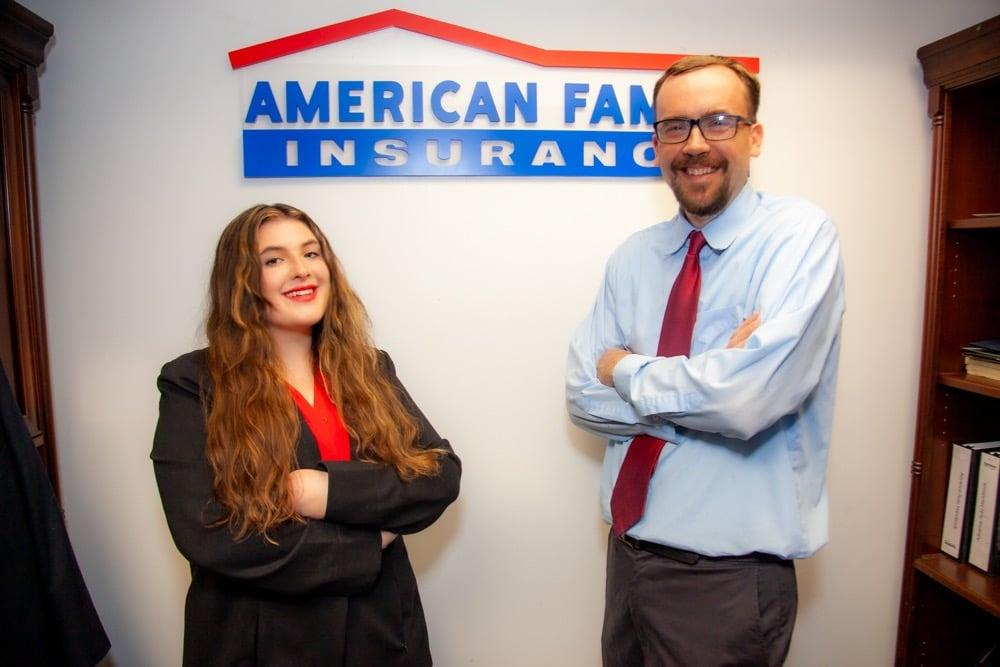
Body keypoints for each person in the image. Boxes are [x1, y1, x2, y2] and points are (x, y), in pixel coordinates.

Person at [566, 55, 845, 666]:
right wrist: (708, 384)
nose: (695, 144)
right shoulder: (634, 257)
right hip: (627, 558)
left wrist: (627, 370)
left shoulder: (798, 237)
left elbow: (747, 401)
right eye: (674, 127)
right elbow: (581, 397)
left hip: (727, 582)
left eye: (717, 121)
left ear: (755, 135)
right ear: (656, 144)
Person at [152, 203, 460, 666]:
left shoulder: (369, 368)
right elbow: (210, 533)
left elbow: (438, 474)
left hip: (379, 636)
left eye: (311, 254)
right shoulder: (192, 383)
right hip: (261, 643)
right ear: (240, 281)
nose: (301, 271)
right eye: (274, 259)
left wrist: (321, 491)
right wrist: (369, 541)